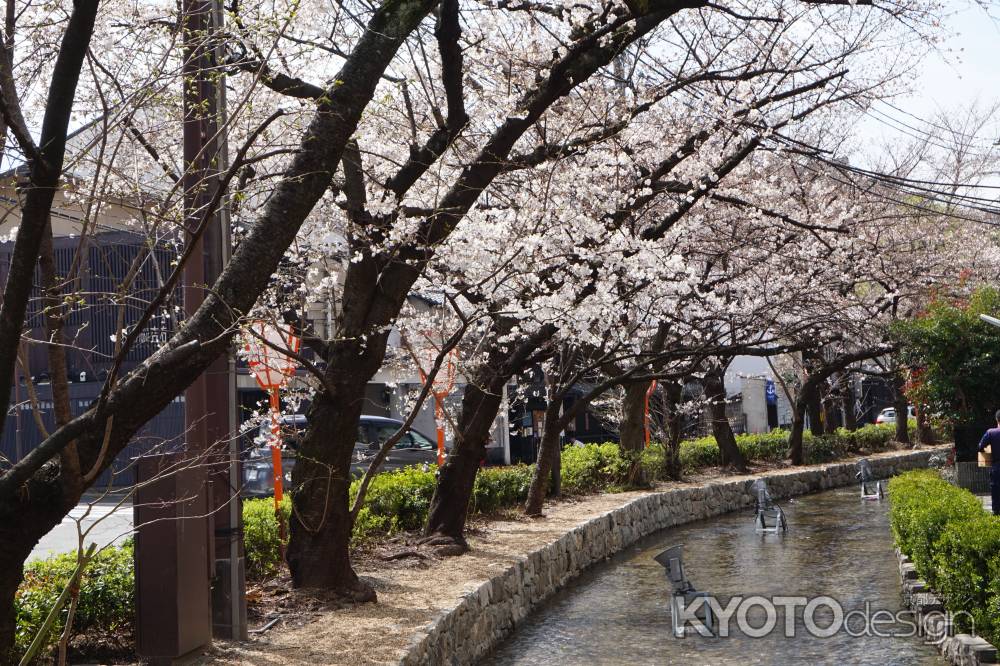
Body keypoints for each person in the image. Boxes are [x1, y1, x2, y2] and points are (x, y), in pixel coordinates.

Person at [977, 410, 1000, 516]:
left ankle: (996, 513)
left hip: (997, 466)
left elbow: (980, 446)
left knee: (996, 489)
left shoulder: (991, 432)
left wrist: (987, 451)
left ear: (996, 419)